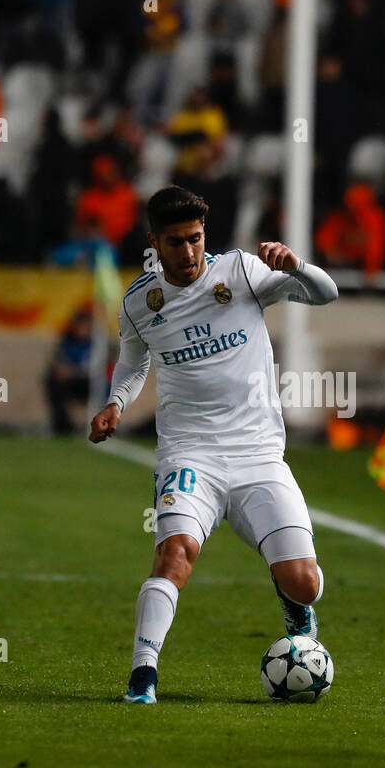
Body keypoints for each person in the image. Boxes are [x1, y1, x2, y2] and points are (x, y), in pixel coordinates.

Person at [89, 186, 338, 704]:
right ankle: (142, 676)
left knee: (306, 582)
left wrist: (295, 266)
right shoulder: (140, 302)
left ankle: (296, 607)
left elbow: (325, 294)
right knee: (174, 555)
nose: (188, 253)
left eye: (196, 239)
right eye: (176, 242)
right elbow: (134, 363)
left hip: (258, 455)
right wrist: (115, 402)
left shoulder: (242, 272)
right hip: (189, 454)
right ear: (154, 241)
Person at [46, 310, 94, 436]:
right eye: (82, 325)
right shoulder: (67, 342)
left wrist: (73, 371)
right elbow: (59, 365)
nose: (84, 329)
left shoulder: (98, 344)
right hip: (72, 382)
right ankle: (63, 426)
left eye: (87, 325)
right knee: (53, 382)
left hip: (92, 382)